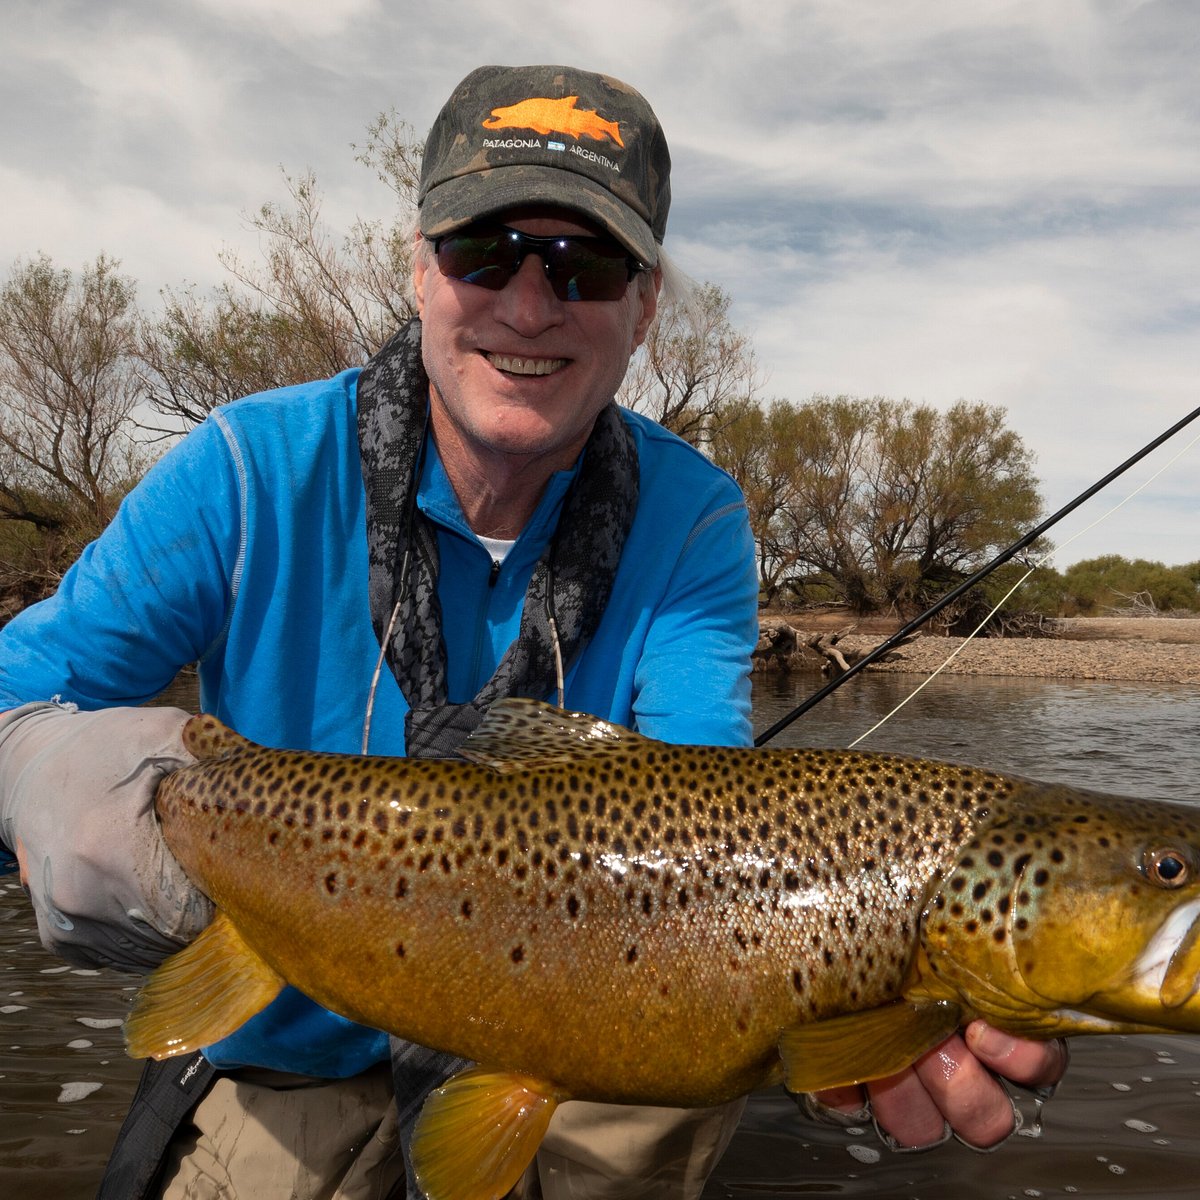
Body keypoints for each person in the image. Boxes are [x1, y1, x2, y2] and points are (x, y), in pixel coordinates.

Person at [0, 63, 1065, 1199]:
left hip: (577, 1033)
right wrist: (43, 772)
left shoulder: (693, 514)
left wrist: (829, 978)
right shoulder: (244, 473)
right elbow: (18, 694)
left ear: (646, 303)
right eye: (483, 252)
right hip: (287, 1041)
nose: (527, 303)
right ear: (418, 270)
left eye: (585, 265)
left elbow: (704, 787)